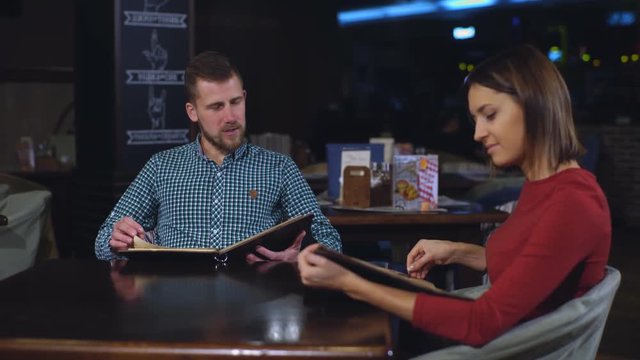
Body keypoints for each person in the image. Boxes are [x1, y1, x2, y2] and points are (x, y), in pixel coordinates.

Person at [298, 44, 610, 347]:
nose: (477, 134)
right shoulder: (544, 184)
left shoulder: (573, 202)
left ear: (535, 104)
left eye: (490, 115)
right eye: (476, 120)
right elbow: (530, 266)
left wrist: (350, 284)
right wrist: (455, 250)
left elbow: (480, 323)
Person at [95, 51, 341, 261]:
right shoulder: (161, 167)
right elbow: (103, 241)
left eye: (235, 102)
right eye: (216, 107)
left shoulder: (279, 167)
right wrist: (117, 240)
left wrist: (300, 256)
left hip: (254, 304)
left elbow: (330, 240)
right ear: (193, 112)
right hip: (176, 306)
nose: (231, 117)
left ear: (244, 98)